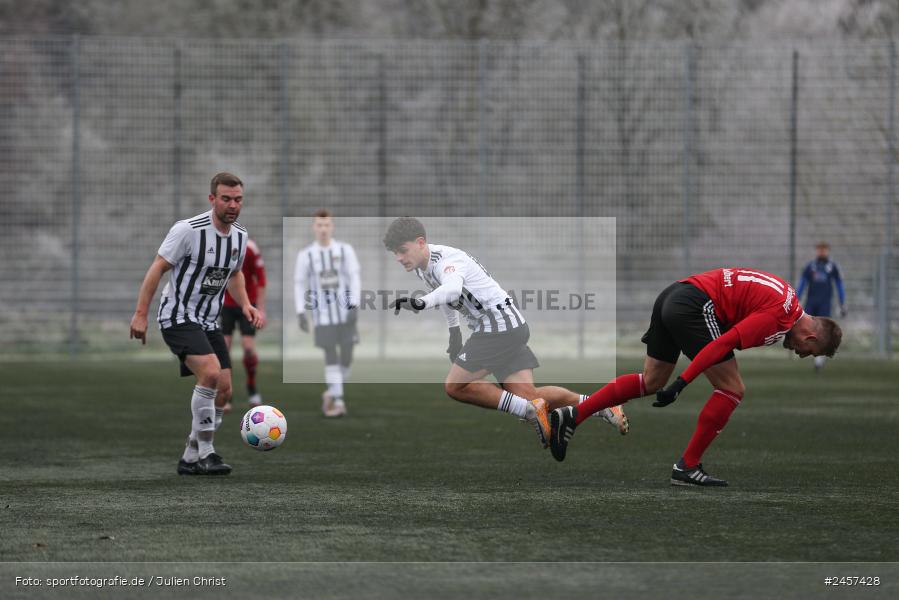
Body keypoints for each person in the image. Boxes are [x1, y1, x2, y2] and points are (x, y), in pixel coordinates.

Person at [549, 267, 842, 487]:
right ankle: (687, 466)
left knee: (650, 382)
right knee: (732, 388)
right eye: (809, 350)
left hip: (674, 294)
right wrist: (682, 383)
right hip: (693, 306)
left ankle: (573, 415)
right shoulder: (779, 317)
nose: (801, 354)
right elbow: (721, 345)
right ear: (811, 335)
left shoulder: (787, 298)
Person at [382, 217, 628, 446]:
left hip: (497, 327)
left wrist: (421, 302)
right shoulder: (422, 267)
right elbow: (447, 296)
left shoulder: (446, 261)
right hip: (507, 326)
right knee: (530, 394)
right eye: (395, 253)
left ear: (420, 243)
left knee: (455, 386)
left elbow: (452, 290)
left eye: (402, 250)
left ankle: (529, 412)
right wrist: (454, 332)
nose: (398, 257)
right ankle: (604, 406)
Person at [130, 172, 263, 476]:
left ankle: (190, 456)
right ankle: (207, 453)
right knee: (211, 373)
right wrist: (140, 314)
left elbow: (234, 274)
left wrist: (245, 304)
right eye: (226, 199)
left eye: (238, 199)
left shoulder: (240, 236)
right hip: (176, 316)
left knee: (225, 390)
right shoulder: (188, 230)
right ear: (212, 199)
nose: (232, 205)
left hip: (207, 320)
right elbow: (158, 268)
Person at [294, 210, 361, 417]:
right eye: (319, 225)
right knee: (331, 354)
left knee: (347, 356)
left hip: (345, 312)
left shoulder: (345, 250)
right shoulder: (306, 255)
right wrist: (300, 312)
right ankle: (338, 400)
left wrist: (355, 305)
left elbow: (354, 277)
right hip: (322, 314)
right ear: (314, 227)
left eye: (327, 225)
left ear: (332, 227)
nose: (323, 229)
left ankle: (331, 392)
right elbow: (299, 283)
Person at [221, 238, 267, 410]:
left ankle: (252, 387)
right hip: (226, 305)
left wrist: (261, 310)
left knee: (248, 347)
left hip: (249, 304)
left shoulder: (251, 249)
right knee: (224, 349)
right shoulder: (220, 246)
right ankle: (226, 393)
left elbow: (261, 280)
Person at [796, 242, 846, 372]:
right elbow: (802, 284)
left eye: (824, 250)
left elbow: (839, 285)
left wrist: (842, 303)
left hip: (825, 303)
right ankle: (810, 351)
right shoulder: (810, 267)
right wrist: (797, 299)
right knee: (808, 329)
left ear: (828, 251)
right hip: (811, 303)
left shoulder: (832, 267)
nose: (821, 252)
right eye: (819, 249)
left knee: (822, 331)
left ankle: (819, 359)